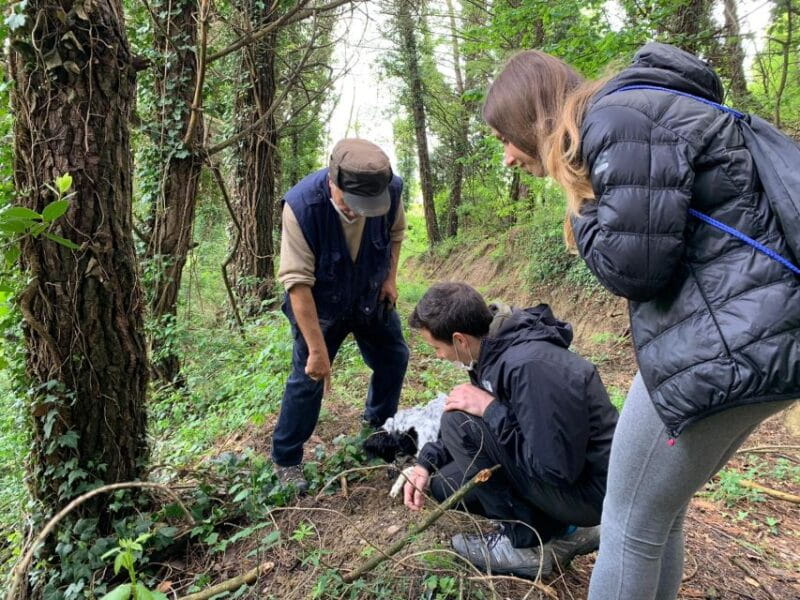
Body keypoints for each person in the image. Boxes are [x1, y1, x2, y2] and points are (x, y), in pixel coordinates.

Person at [482, 43, 800, 599]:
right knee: (656, 516)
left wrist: (581, 208)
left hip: (726, 346)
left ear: (530, 119)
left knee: (627, 523)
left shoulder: (617, 120)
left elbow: (634, 269)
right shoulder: (640, 113)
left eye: (504, 137)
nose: (508, 156)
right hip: (758, 336)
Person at [403, 282, 618, 578]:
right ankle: (567, 533)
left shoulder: (530, 367)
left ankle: (526, 546)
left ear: (459, 339)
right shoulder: (493, 349)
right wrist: (425, 464)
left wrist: (491, 409)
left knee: (457, 423)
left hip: (590, 492)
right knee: (443, 485)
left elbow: (556, 469)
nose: (438, 355)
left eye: (436, 348)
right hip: (562, 474)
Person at [272, 138, 410, 493]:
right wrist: (317, 351)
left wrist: (390, 279)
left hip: (370, 294)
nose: (360, 212)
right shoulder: (302, 207)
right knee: (307, 379)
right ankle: (286, 458)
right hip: (320, 307)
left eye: (369, 205)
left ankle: (377, 426)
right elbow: (297, 284)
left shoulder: (391, 189)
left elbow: (396, 234)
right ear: (333, 182)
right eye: (353, 203)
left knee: (394, 358)